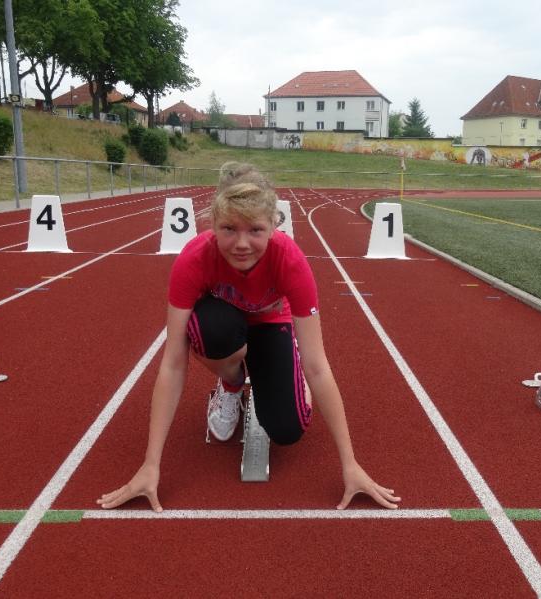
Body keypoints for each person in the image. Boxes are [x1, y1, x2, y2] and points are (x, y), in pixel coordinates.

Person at [98, 162, 400, 511]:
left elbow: (318, 366)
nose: (241, 244)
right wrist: (150, 465)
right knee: (207, 328)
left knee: (287, 431)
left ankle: (287, 368)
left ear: (274, 225)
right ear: (212, 223)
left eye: (255, 229)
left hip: (271, 325)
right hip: (226, 326)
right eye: (229, 228)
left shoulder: (290, 260)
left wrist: (350, 464)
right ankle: (231, 385)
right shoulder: (194, 259)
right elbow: (173, 363)